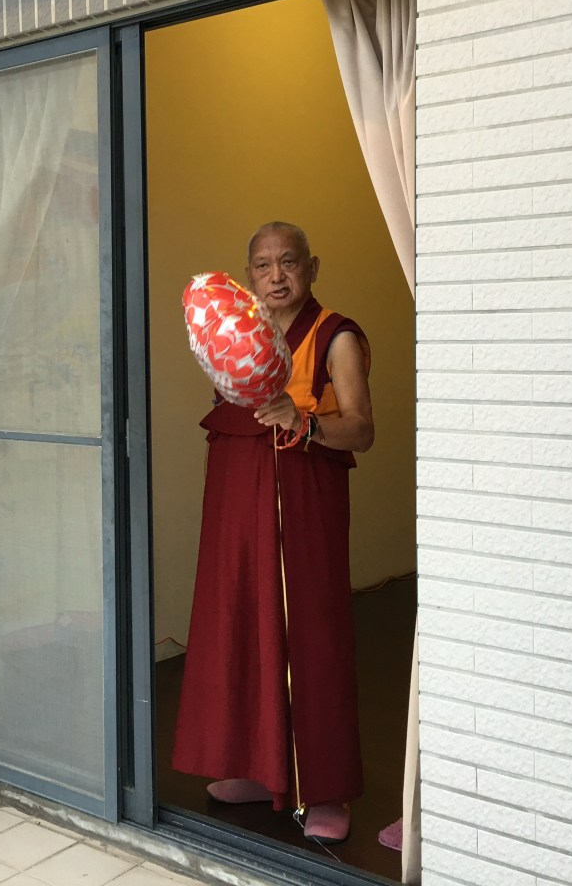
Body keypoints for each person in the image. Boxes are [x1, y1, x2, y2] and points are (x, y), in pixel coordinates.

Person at [172, 221, 374, 843]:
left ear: (312, 268)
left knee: (311, 635)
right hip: (240, 499)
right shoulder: (236, 333)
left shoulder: (336, 335)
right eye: (263, 265)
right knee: (243, 623)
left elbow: (362, 429)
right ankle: (260, 769)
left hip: (305, 503)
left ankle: (324, 787)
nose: (276, 275)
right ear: (249, 276)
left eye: (289, 262)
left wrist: (303, 421)